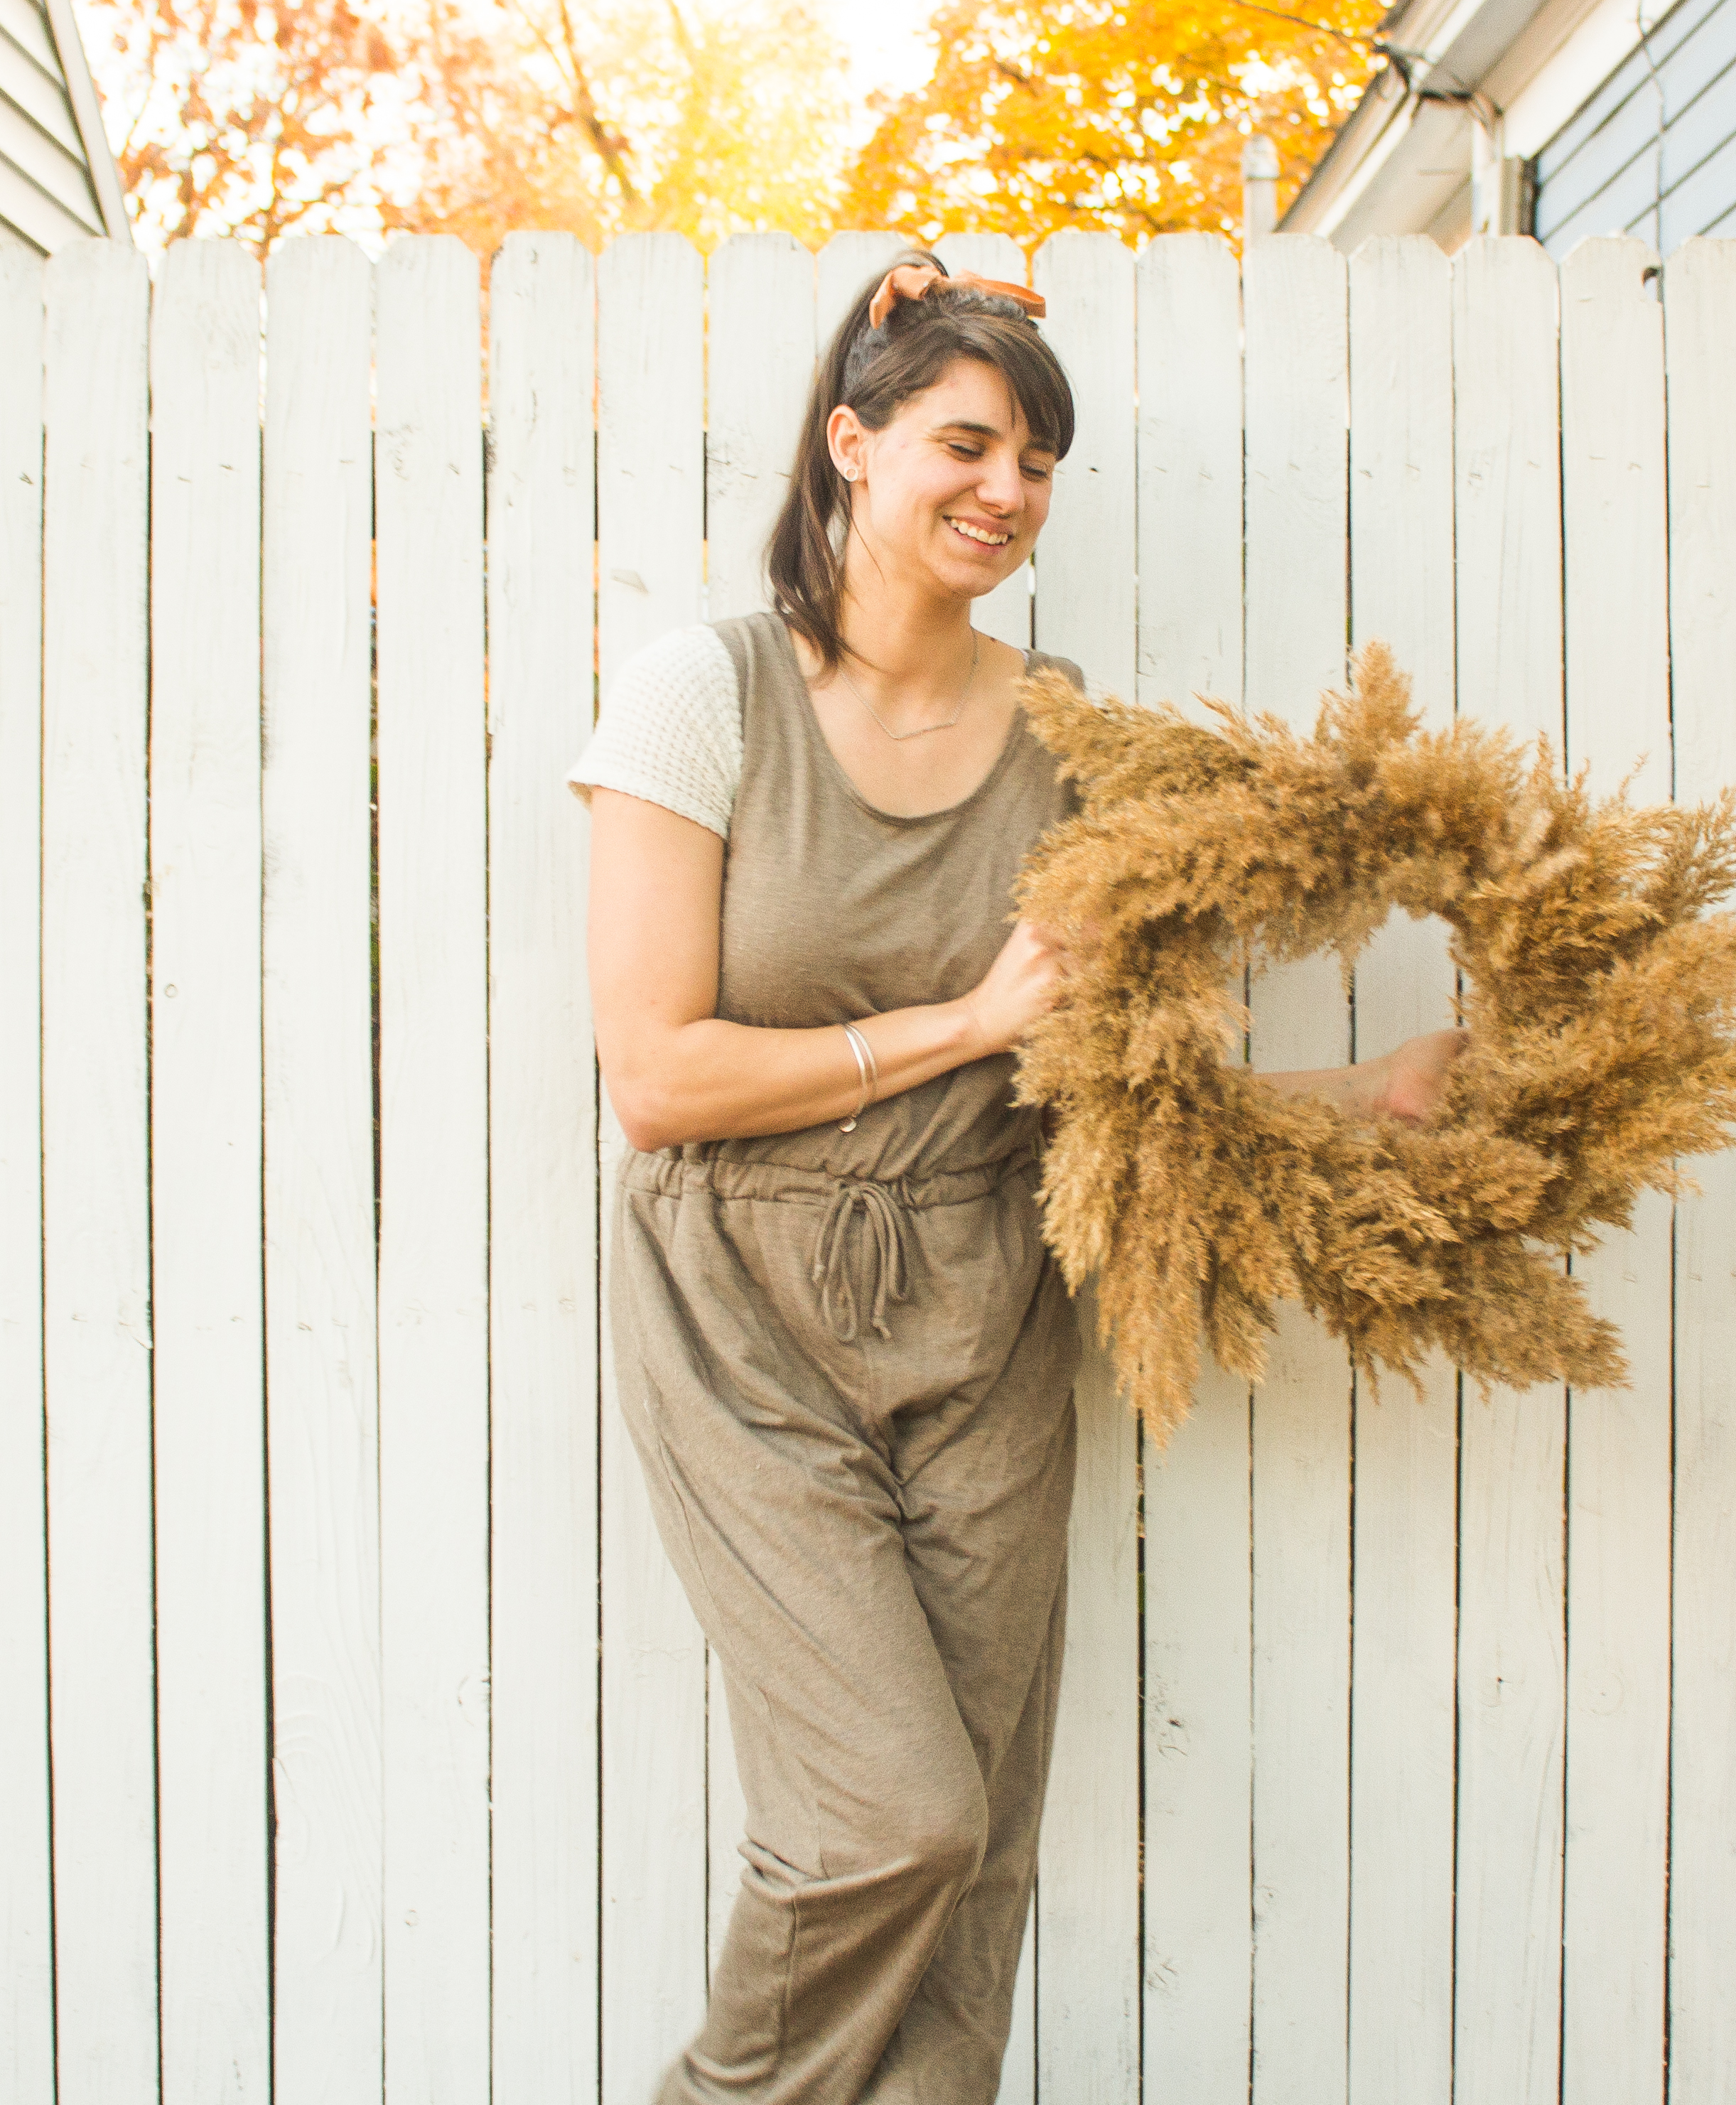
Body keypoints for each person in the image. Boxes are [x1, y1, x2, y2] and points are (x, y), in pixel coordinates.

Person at [571, 248, 1466, 2105]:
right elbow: (656, 1078)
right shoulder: (704, 696)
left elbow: (1123, 1086)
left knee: (973, 1878)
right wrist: (967, 1022)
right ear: (851, 444)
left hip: (991, 1303)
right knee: (885, 1818)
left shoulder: (1065, 734)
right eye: (966, 441)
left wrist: (1367, 1100)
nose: (1008, 489)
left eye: (1040, 460)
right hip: (745, 1321)